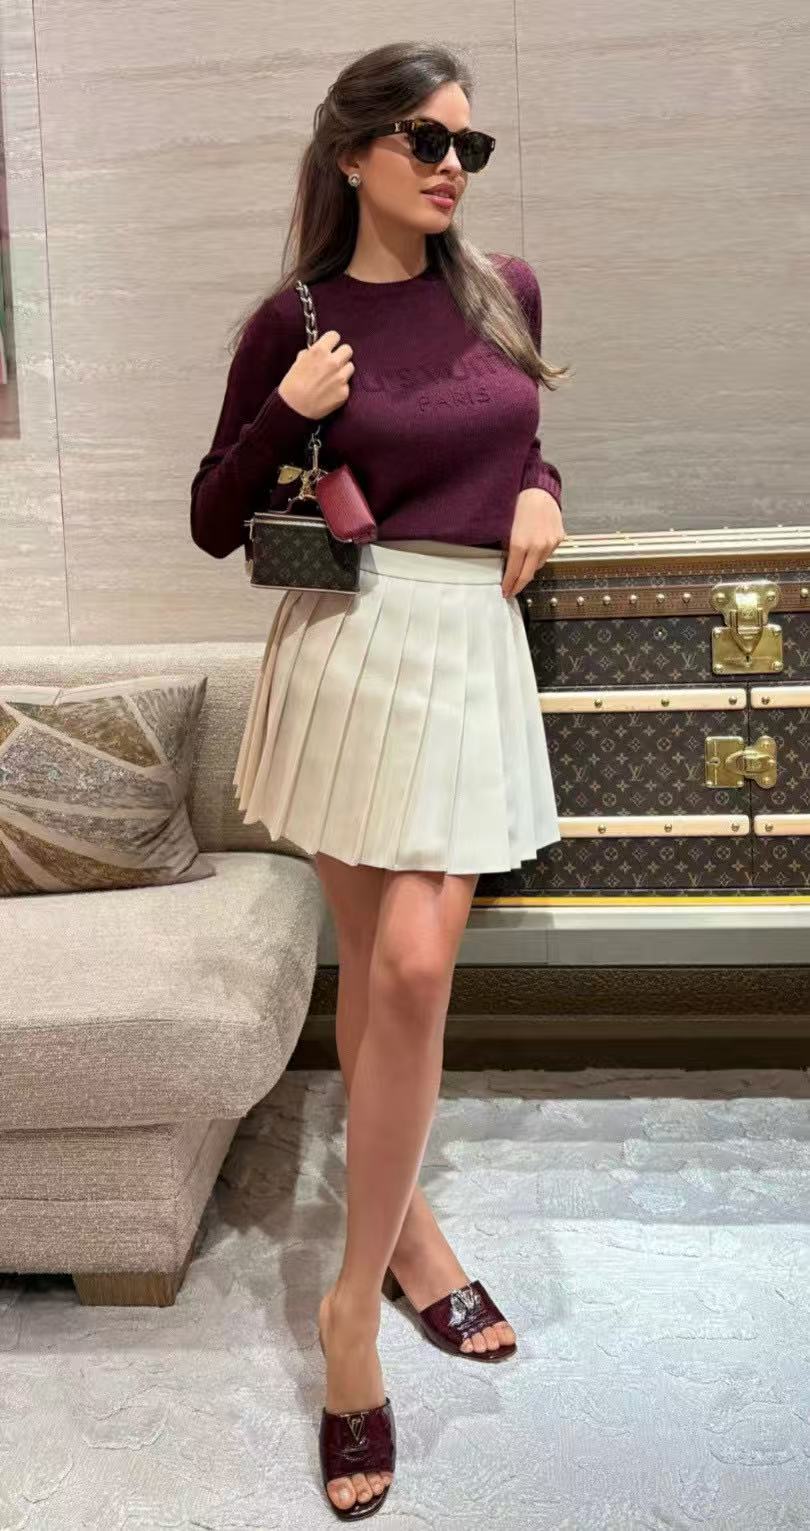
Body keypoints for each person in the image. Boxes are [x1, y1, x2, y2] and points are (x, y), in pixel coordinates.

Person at [190, 39, 571, 1521]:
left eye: (470, 143)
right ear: (351, 153)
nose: (451, 165)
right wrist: (287, 408)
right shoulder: (289, 321)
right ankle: (406, 1244)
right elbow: (214, 516)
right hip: (347, 647)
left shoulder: (504, 290)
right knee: (376, 970)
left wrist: (542, 490)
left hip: (465, 644)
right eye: (424, 138)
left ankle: (351, 1303)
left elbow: (520, 438)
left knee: (411, 970)